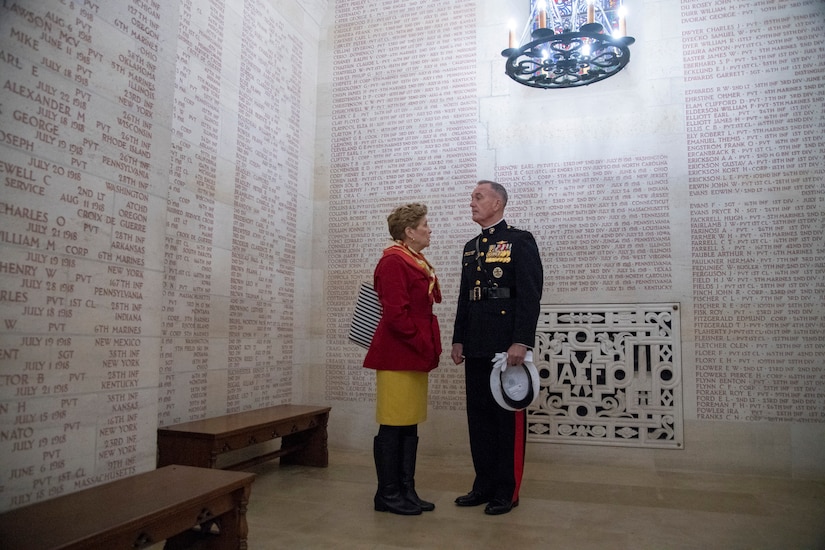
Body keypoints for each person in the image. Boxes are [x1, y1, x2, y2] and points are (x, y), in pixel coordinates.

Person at [451, 180, 543, 515]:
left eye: (478, 197)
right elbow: (466, 297)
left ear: (498, 203)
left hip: (506, 347)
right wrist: (459, 337)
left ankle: (507, 490)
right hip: (476, 343)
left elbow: (530, 295)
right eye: (472, 197)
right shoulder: (471, 247)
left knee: (507, 420)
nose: (471, 202)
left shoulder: (520, 240)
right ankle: (484, 484)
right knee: (479, 419)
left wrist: (522, 340)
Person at [364, 203, 442, 515]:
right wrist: (422, 343)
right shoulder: (393, 262)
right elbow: (396, 314)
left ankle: (407, 490)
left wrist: (424, 346)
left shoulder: (413, 258)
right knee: (393, 425)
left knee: (409, 424)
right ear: (409, 232)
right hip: (399, 353)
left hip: (413, 352)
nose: (429, 229)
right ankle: (387, 493)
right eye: (425, 224)